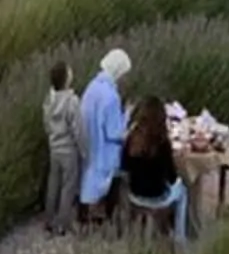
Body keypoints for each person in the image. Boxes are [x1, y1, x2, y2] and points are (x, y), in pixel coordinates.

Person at [121, 95, 191, 242]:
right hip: (157, 196)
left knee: (176, 188)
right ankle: (180, 237)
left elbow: (125, 167)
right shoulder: (162, 142)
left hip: (134, 193)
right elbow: (172, 178)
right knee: (183, 191)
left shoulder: (132, 138)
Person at [79, 47, 131, 218]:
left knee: (87, 180)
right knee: (113, 176)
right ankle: (108, 214)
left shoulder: (92, 87)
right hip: (104, 151)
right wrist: (128, 118)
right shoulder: (111, 96)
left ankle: (84, 213)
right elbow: (114, 133)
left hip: (88, 145)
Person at [42, 59, 85, 234]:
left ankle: (48, 220)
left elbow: (46, 124)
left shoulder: (48, 99)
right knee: (68, 188)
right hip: (69, 151)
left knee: (53, 185)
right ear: (66, 79)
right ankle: (62, 224)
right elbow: (78, 130)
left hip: (54, 148)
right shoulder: (72, 101)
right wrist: (84, 150)